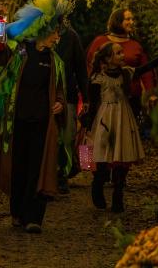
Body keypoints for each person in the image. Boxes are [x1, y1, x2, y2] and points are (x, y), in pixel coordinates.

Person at [0, 0, 71, 233]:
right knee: (18, 167)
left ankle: (34, 218)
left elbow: (61, 91)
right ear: (44, 30)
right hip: (17, 121)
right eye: (55, 33)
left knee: (38, 169)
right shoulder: (20, 52)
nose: (57, 38)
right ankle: (18, 214)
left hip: (42, 124)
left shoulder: (55, 62)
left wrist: (60, 104)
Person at [85, 41, 158, 213]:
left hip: (123, 116)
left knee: (122, 154)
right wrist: (88, 126)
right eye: (118, 53)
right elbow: (93, 104)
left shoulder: (126, 73)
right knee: (101, 155)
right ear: (108, 58)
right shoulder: (97, 78)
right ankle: (98, 183)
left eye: (122, 52)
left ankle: (118, 193)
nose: (123, 55)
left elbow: (147, 67)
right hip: (104, 117)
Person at [86, 8, 158, 132]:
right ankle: (85, 152)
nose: (132, 22)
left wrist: (150, 94)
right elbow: (89, 67)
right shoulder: (100, 41)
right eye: (128, 19)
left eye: (132, 19)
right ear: (118, 21)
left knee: (124, 134)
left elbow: (146, 71)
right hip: (102, 99)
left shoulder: (135, 46)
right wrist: (86, 95)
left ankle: (121, 151)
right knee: (91, 131)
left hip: (129, 100)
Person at [55, 26, 89, 194]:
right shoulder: (38, 33)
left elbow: (80, 67)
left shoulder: (71, 37)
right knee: (52, 138)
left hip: (68, 95)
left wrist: (86, 96)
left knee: (67, 136)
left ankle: (63, 172)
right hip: (46, 95)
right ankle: (52, 173)